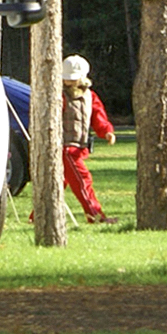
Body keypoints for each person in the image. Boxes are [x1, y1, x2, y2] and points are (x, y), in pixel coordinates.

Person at [60, 55, 117, 224]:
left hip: (78, 147)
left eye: (72, 79)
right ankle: (95, 214)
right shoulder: (59, 95)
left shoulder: (90, 96)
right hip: (66, 148)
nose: (68, 82)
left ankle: (37, 217)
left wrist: (106, 131)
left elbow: (98, 116)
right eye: (66, 79)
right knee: (82, 180)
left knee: (57, 183)